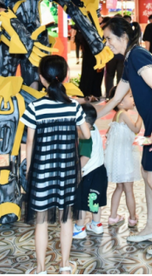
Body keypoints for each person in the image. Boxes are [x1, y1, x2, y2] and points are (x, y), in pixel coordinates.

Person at [98, 18, 152, 257]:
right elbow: (115, 100)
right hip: (151, 125)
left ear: (123, 37)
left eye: (109, 38)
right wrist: (90, 115)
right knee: (148, 175)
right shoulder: (129, 60)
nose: (108, 43)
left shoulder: (137, 55)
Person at [21, 55, 90, 274]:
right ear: (65, 77)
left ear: (42, 78)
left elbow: (30, 141)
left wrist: (31, 169)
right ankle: (65, 265)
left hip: (42, 170)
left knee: (41, 220)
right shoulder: (73, 107)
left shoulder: (36, 107)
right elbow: (86, 134)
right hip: (67, 170)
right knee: (66, 217)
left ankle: (41, 268)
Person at [103, 89, 143, 228]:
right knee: (129, 190)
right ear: (120, 101)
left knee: (119, 187)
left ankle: (113, 216)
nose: (133, 99)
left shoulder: (116, 116)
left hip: (117, 160)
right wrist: (141, 115)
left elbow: (108, 135)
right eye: (130, 96)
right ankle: (133, 218)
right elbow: (136, 128)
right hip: (124, 159)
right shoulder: (124, 114)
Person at [73, 103, 109, 239]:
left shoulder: (86, 137)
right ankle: (96, 224)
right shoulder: (94, 128)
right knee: (95, 199)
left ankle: (79, 228)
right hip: (100, 171)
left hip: (87, 173)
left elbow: (85, 157)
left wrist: (76, 171)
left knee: (81, 202)